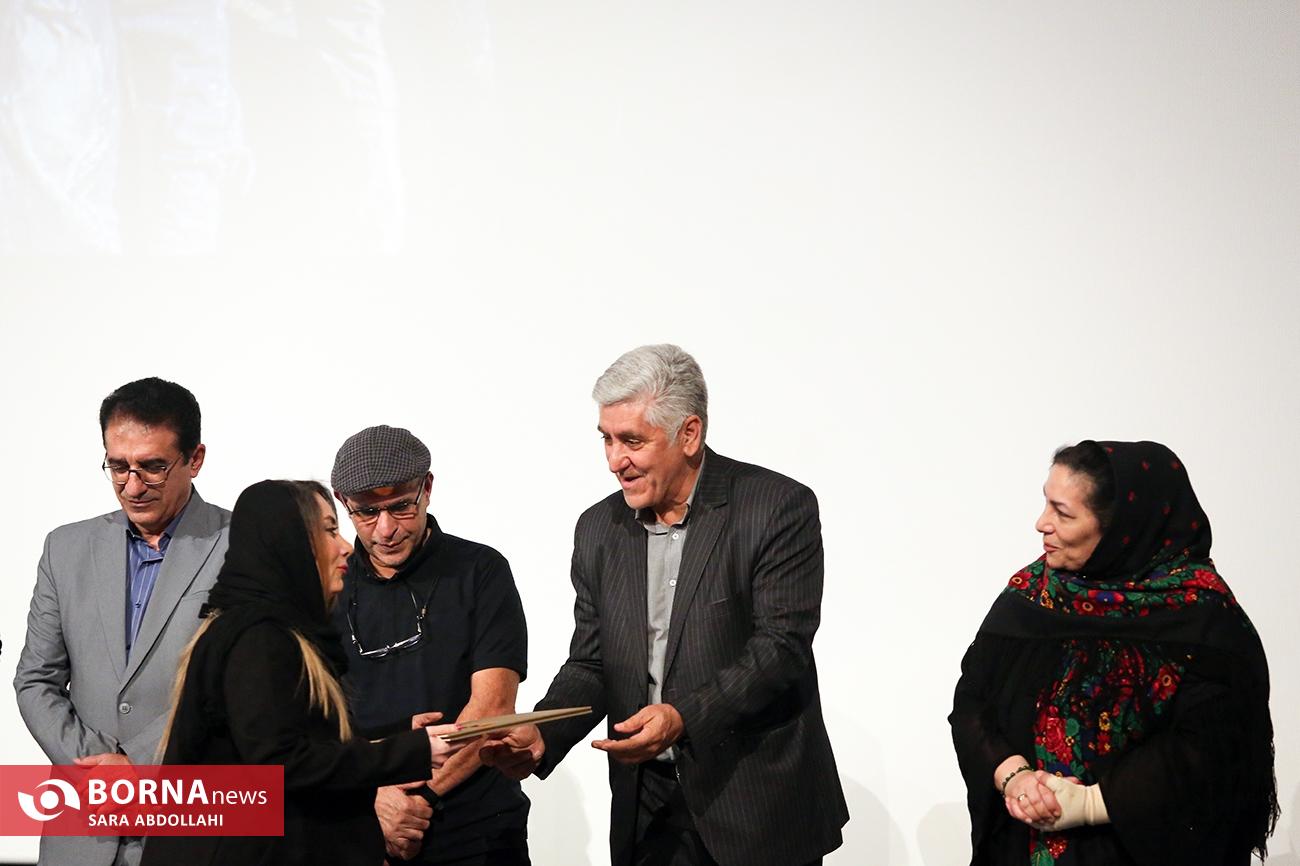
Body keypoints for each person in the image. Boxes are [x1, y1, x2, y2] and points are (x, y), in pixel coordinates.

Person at [481, 344, 848, 866]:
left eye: (632, 441)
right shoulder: (599, 528)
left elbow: (780, 649)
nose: (615, 461)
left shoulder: (775, 507)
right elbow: (592, 663)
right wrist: (542, 732)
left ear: (689, 434)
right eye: (607, 439)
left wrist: (683, 718)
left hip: (756, 805)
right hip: (648, 812)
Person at [949, 440, 1278, 866]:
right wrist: (1013, 775)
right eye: (1046, 504)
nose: (1041, 523)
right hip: (1023, 847)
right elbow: (973, 700)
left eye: (1063, 513)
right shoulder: (1030, 598)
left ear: (1121, 528)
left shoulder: (1201, 619)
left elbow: (1214, 749)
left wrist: (1091, 804)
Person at [141, 479, 465, 866]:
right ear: (289, 543)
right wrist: (412, 751)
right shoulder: (259, 639)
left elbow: (290, 738)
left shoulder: (263, 631)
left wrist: (395, 735)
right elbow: (283, 764)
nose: (345, 546)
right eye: (328, 530)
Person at [14, 377, 230, 866]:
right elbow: (35, 680)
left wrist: (139, 767)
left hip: (192, 832)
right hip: (78, 835)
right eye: (118, 466)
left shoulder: (241, 545)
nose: (132, 487)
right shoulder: (64, 548)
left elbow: (239, 686)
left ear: (195, 458)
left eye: (153, 467)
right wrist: (95, 769)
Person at [329, 425, 530, 866]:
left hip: (477, 830)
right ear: (343, 502)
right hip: (362, 825)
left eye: (401, 506)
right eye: (366, 512)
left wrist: (417, 802)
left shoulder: (481, 570)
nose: (386, 529)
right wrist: (372, 799)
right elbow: (308, 724)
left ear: (428, 489)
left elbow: (493, 707)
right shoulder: (326, 585)